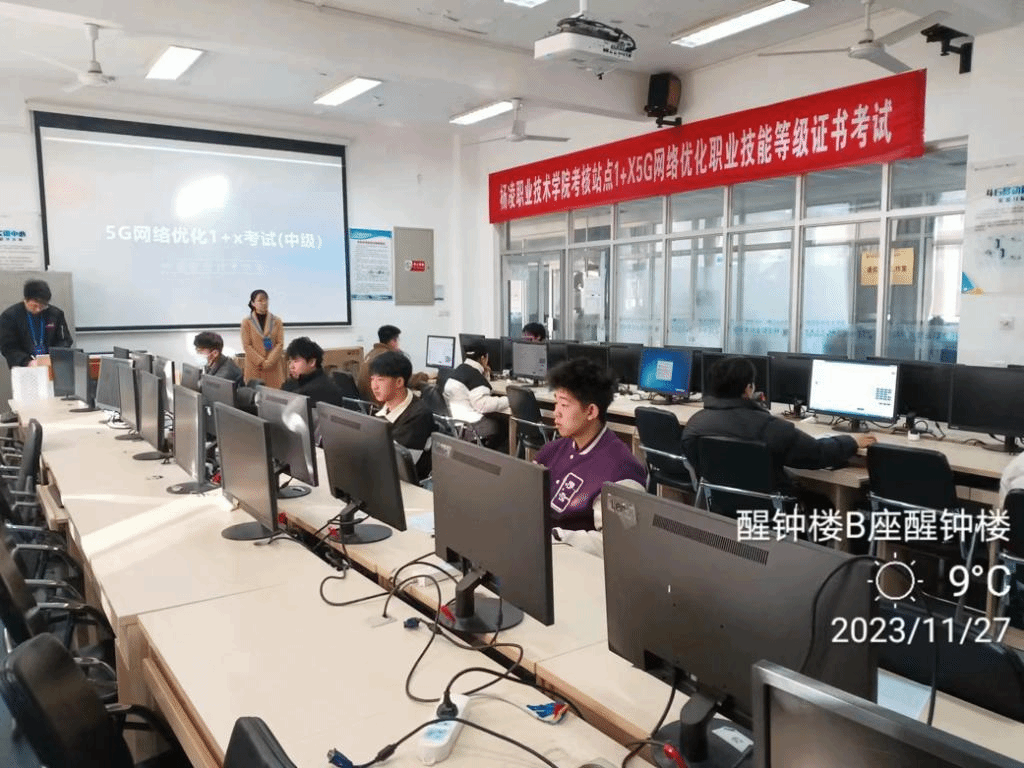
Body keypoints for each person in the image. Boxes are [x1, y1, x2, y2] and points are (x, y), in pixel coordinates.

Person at [681, 356, 874, 495]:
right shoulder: (769, 427)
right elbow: (816, 454)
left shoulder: (696, 424)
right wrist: (851, 442)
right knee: (823, 503)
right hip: (773, 509)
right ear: (748, 389)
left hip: (720, 504)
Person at [534, 358, 647, 535]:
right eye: (556, 403)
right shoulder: (551, 451)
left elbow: (617, 540)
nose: (556, 412)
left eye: (564, 405)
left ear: (591, 411)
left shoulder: (622, 471)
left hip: (570, 549)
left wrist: (558, 537)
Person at [370, 351, 434, 478]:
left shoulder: (418, 415)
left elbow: (397, 465)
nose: (374, 386)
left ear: (399, 382)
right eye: (372, 379)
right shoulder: (384, 408)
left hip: (407, 482)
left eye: (380, 380)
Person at [443, 340, 508, 450]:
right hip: (473, 427)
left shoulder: (458, 371)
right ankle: (492, 456)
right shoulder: (474, 376)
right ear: (483, 358)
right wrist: (509, 400)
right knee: (505, 424)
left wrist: (485, 372)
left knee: (498, 417)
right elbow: (483, 406)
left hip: (459, 425)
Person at [0, 279, 73, 369]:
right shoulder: (9, 316)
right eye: (34, 306)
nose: (38, 309)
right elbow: (8, 347)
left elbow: (65, 340)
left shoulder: (55, 314)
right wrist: (26, 361)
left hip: (52, 364)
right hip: (24, 366)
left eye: (42, 306)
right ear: (26, 299)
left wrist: (54, 357)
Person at [357, 324, 428, 402]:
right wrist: (425, 376)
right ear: (393, 341)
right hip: (380, 403)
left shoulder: (370, 354)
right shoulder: (387, 357)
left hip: (367, 403)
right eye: (397, 340)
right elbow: (405, 380)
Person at [282, 336, 346, 409]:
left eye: (296, 361)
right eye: (290, 361)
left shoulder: (322, 390)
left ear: (312, 362)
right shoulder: (291, 383)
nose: (291, 366)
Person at [239, 289, 285, 387]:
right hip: (255, 367)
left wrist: (269, 361)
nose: (264, 303)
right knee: (255, 394)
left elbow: (280, 343)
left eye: (266, 300)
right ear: (253, 303)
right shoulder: (247, 321)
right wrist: (261, 362)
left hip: (273, 367)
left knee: (274, 394)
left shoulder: (276, 321)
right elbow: (247, 345)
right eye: (260, 300)